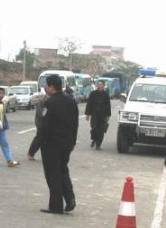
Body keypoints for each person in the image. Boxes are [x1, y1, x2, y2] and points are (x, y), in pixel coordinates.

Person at [39, 75, 79, 214]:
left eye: (46, 85)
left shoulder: (50, 103)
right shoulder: (71, 101)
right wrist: (73, 141)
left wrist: (41, 142)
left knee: (53, 174)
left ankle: (56, 206)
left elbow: (45, 125)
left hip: (52, 144)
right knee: (63, 171)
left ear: (51, 87)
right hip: (67, 143)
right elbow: (75, 124)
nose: (45, 88)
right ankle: (70, 199)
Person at [85, 80, 112, 150]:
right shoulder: (93, 93)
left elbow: (108, 106)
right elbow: (89, 104)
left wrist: (108, 115)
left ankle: (98, 145)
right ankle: (94, 139)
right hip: (94, 115)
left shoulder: (106, 95)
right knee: (94, 128)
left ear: (103, 85)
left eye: (101, 84)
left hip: (103, 115)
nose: (99, 86)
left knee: (101, 131)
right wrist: (87, 114)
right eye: (98, 84)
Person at [27, 90, 47, 160]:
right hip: (41, 122)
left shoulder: (53, 100)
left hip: (49, 122)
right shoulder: (42, 100)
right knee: (39, 138)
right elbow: (40, 113)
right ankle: (31, 153)